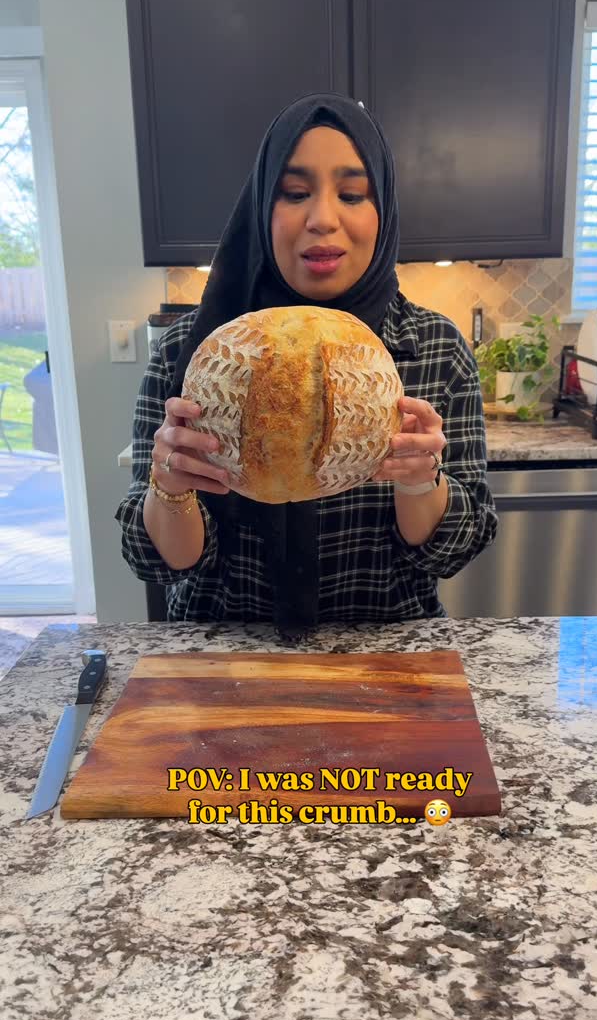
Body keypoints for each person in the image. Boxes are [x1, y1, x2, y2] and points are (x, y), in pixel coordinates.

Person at [116, 93, 497, 639]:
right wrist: (170, 487)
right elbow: (154, 562)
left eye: (352, 193)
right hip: (224, 656)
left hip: (385, 660)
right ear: (261, 205)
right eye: (294, 193)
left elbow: (455, 549)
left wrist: (419, 482)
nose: (322, 219)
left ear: (382, 210)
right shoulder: (193, 352)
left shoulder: (435, 348)